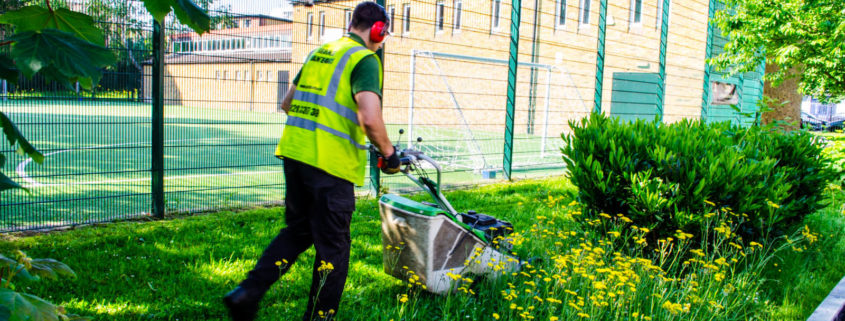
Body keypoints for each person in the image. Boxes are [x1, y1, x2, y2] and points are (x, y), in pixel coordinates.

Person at [223, 2, 400, 320]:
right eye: (384, 33)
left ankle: (246, 293)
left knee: (299, 231)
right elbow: (370, 119)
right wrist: (389, 154)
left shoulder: (321, 52)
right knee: (334, 250)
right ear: (378, 30)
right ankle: (320, 318)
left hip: (295, 155)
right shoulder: (365, 59)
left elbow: (288, 103)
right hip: (329, 167)